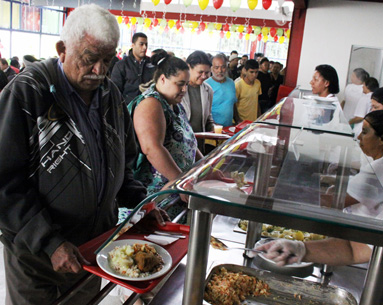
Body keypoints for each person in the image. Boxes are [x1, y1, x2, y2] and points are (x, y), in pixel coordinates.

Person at [0, 5, 153, 304]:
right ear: (62, 49)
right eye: (90, 59)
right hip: (37, 255)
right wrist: (48, 242)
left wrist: (142, 203)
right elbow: (4, 182)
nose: (100, 70)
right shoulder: (27, 92)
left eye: (107, 60)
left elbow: (123, 164)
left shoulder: (111, 95)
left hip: (93, 247)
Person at [254, 110, 383, 267]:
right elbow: (354, 249)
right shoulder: (376, 164)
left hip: (365, 262)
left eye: (364, 132)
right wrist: (300, 250)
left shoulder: (377, 171)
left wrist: (284, 193)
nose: (358, 138)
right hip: (354, 242)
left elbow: (334, 201)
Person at [128, 53, 202, 219]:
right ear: (162, 79)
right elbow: (152, 148)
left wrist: (207, 168)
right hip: (159, 196)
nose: (184, 90)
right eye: (179, 84)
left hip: (179, 190)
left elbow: (189, 144)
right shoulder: (151, 104)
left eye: (186, 85)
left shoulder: (175, 104)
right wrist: (181, 181)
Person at [181, 50, 214, 154]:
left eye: (207, 72)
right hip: (182, 143)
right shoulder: (179, 89)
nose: (204, 76)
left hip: (199, 144)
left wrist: (213, 127)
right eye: (200, 72)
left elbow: (208, 117)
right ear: (189, 67)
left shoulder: (208, 90)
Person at [111, 32, 155, 104]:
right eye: (141, 44)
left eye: (146, 44)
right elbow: (115, 91)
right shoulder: (121, 65)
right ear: (133, 45)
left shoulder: (152, 64)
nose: (144, 47)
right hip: (128, 108)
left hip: (148, 106)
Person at [205, 53, 237, 127]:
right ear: (211, 68)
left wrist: (237, 120)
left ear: (227, 68)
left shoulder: (231, 83)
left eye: (223, 67)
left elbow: (233, 104)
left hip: (228, 128)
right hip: (212, 130)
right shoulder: (206, 85)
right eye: (216, 67)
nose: (220, 70)